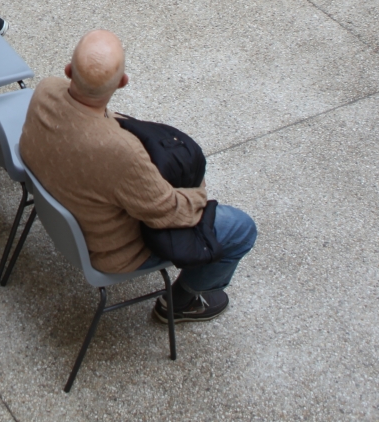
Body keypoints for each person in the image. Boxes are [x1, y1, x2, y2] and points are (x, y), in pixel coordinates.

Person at [19, 30, 258, 324]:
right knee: (242, 228)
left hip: (63, 211)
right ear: (123, 82)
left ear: (68, 71)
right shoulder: (120, 152)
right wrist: (197, 189)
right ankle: (182, 301)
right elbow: (169, 211)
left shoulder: (45, 89)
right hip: (113, 251)